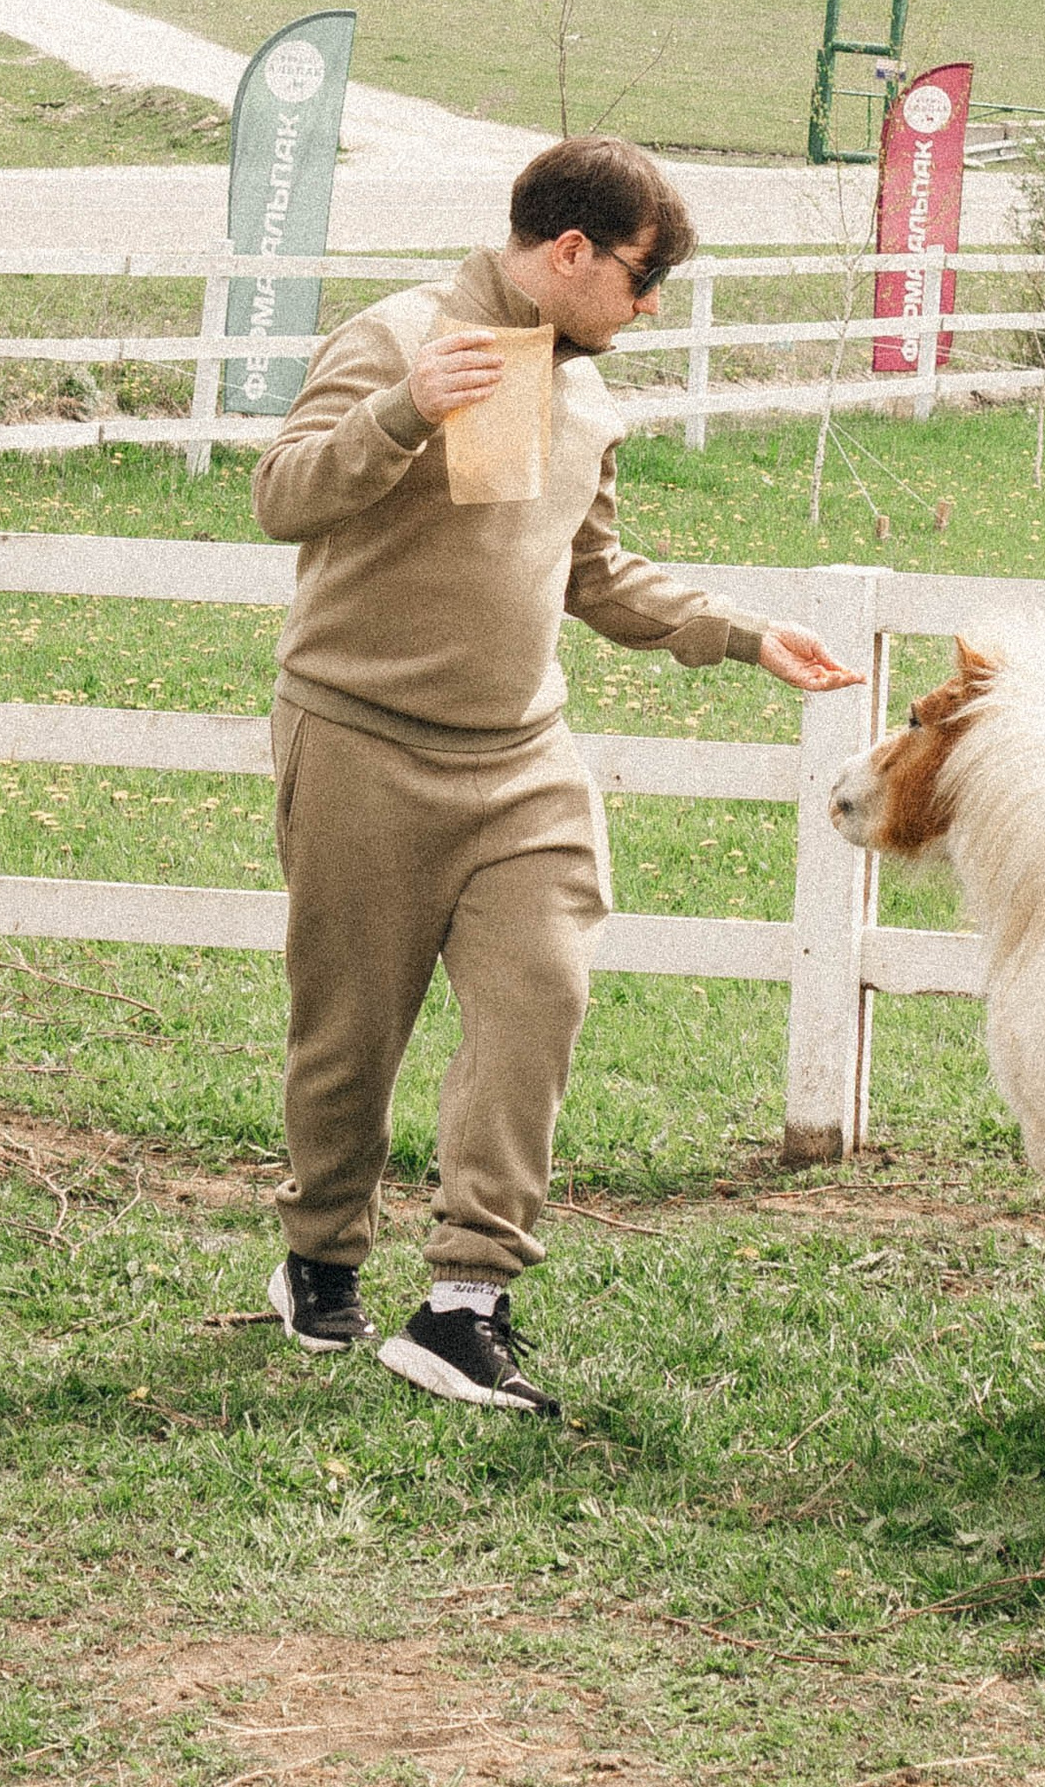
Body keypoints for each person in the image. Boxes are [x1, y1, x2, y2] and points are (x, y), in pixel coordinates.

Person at [250, 133, 860, 1411]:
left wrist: (740, 632)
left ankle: (464, 1301)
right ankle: (321, 1254)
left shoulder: (586, 396)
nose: (652, 308)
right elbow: (283, 498)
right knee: (349, 1036)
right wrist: (404, 411)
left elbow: (592, 573)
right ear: (571, 251)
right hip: (360, 742)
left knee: (541, 996)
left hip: (523, 761)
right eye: (644, 278)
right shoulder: (394, 338)